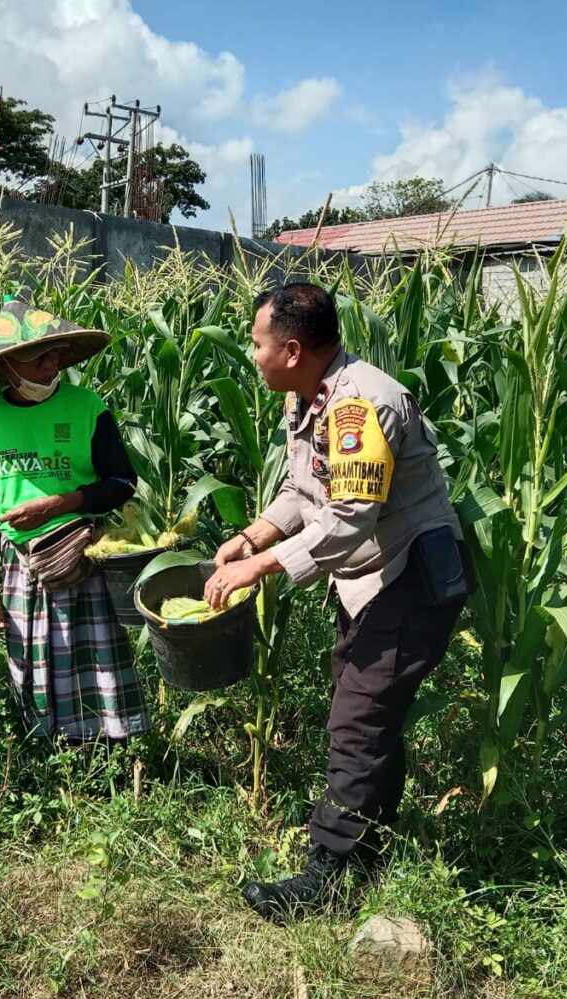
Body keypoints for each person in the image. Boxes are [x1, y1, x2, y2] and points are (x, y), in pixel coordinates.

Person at [203, 282, 473, 923]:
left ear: (292, 349)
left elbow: (351, 517)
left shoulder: (359, 408)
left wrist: (260, 568)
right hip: (372, 579)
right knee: (366, 714)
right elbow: (303, 491)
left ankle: (328, 876)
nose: (253, 353)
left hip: (408, 579)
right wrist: (250, 536)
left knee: (357, 720)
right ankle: (372, 845)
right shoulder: (312, 395)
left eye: (258, 342)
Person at [0, 295, 150, 743]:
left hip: (82, 550)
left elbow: (122, 482)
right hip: (20, 562)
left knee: (94, 661)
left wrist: (59, 504)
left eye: (54, 353)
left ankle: (106, 749)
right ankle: (45, 755)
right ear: (5, 367)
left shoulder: (87, 407)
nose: (51, 363)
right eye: (37, 357)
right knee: (33, 659)